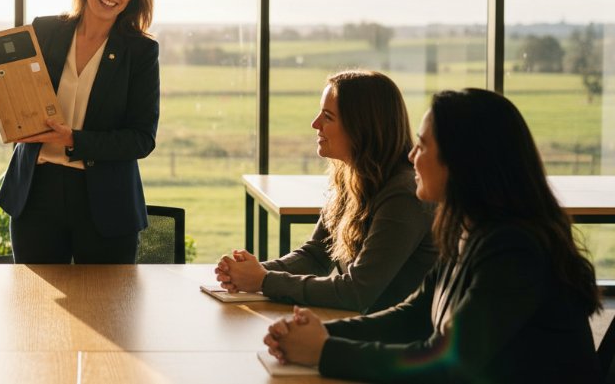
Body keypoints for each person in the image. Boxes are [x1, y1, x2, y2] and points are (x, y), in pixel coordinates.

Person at [263, 88, 601, 383]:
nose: (411, 156)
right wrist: (317, 335)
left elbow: (449, 364)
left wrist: (324, 351)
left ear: (462, 162)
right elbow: (413, 316)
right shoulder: (467, 228)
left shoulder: (514, 248)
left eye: (422, 146)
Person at [0, 0, 159, 263]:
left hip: (105, 201)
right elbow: (16, 111)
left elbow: (141, 139)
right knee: (35, 308)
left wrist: (72, 139)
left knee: (106, 311)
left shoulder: (140, 51)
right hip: (36, 194)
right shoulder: (46, 31)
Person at [215, 70, 437, 313]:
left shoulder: (403, 195)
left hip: (397, 341)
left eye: (328, 117)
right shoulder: (350, 178)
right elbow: (316, 256)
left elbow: (357, 292)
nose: (315, 124)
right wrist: (250, 272)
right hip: (364, 326)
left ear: (362, 127)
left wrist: (262, 280)